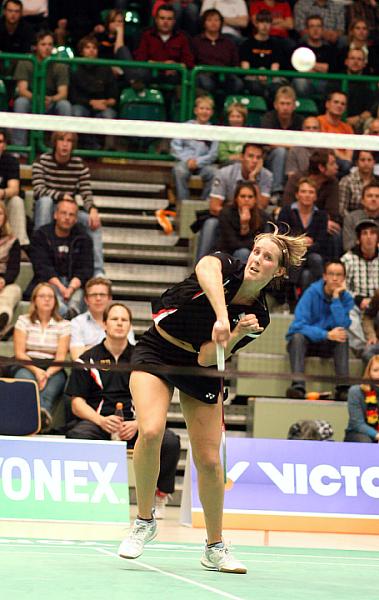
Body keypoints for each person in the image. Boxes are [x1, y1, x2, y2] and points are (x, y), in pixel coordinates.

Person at [117, 225, 308, 571]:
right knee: (151, 430)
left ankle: (214, 546)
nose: (257, 259)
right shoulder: (227, 266)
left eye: (267, 257)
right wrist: (222, 316)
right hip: (157, 350)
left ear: (278, 271)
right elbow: (205, 267)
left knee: (209, 459)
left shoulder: (258, 318)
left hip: (198, 364)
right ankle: (144, 521)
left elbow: (207, 357)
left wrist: (234, 334)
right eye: (256, 251)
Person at [66, 302, 181, 518]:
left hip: (136, 425)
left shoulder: (145, 358)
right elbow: (76, 403)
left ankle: (160, 495)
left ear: (129, 326)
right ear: (105, 325)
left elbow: (159, 397)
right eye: (114, 319)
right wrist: (101, 421)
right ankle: (86, 494)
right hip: (99, 423)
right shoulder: (87, 359)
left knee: (170, 441)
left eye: (124, 320)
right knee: (77, 435)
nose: (119, 323)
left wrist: (139, 423)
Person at [32, 131, 104, 275]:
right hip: (49, 208)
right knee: (45, 202)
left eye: (69, 141)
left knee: (93, 221)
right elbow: (38, 190)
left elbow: (86, 192)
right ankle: (41, 250)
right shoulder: (42, 161)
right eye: (61, 140)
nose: (65, 144)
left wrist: (92, 209)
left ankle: (98, 272)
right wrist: (62, 196)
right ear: (55, 143)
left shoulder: (79, 165)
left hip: (69, 210)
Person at [286, 260, 354, 400]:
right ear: (324, 276)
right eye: (331, 274)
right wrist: (326, 334)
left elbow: (341, 325)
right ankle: (297, 386)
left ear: (344, 278)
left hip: (329, 345)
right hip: (309, 342)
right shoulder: (311, 293)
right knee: (297, 337)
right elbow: (297, 325)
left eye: (339, 275)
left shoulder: (346, 299)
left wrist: (336, 299)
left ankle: (343, 389)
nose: (334, 278)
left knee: (342, 337)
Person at [195, 143, 273, 261]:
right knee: (211, 224)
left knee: (266, 225)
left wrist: (252, 179)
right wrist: (235, 216)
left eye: (258, 158)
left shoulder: (267, 175)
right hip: (226, 217)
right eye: (251, 156)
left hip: (254, 219)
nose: (254, 161)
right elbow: (214, 207)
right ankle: (199, 267)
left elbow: (261, 207)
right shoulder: (224, 173)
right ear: (242, 157)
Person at [13, 282, 70, 430]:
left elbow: (61, 358)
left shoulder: (64, 325)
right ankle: (28, 422)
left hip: (54, 367)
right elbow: (20, 353)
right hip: (27, 363)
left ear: (56, 301)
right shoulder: (23, 321)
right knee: (28, 385)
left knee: (48, 392)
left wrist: (47, 373)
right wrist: (37, 372)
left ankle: (41, 419)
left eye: (50, 296)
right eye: (42, 296)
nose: (47, 299)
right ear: (34, 300)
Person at [27, 197, 94, 319]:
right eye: (63, 213)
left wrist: (71, 288)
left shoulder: (83, 238)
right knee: (51, 295)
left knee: (79, 296)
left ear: (76, 219)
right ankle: (66, 315)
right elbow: (42, 267)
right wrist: (62, 288)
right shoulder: (42, 235)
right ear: (55, 214)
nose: (67, 217)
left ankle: (71, 314)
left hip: (74, 284)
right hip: (50, 282)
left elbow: (86, 269)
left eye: (71, 214)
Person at [11, 30, 71, 148]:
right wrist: (37, 98)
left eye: (50, 44)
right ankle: (19, 148)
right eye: (43, 44)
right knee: (20, 102)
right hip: (31, 100)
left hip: (51, 102)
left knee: (65, 105)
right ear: (36, 46)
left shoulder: (59, 64)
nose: (47, 48)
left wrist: (51, 99)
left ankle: (59, 147)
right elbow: (22, 90)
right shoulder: (25, 62)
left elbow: (63, 93)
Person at [278, 177, 328, 292]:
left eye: (311, 192)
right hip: (290, 253)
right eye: (303, 191)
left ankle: (318, 293)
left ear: (315, 196)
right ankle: (291, 294)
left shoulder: (321, 215)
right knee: (298, 262)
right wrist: (300, 242)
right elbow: (281, 236)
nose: (307, 195)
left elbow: (322, 243)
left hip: (312, 254)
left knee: (316, 259)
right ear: (297, 194)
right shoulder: (286, 211)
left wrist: (303, 247)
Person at [70, 35, 118, 150]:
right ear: (81, 51)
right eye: (87, 47)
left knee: (109, 115)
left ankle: (106, 150)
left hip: (102, 105)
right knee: (76, 112)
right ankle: (91, 146)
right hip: (82, 104)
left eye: (94, 48)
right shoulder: (75, 68)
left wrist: (107, 102)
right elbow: (73, 96)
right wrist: (91, 102)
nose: (91, 50)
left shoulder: (105, 68)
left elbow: (114, 95)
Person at [70, 276, 135, 360]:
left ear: (109, 299)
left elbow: (130, 352)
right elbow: (78, 357)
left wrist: (88, 348)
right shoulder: (77, 323)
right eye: (93, 295)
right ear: (86, 299)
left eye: (102, 294)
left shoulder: (122, 320)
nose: (98, 298)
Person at [341, 218, 379, 356]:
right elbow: (340, 286)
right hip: (356, 304)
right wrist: (358, 299)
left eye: (373, 233)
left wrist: (374, 301)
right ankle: (364, 349)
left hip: (377, 303)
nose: (369, 237)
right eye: (365, 233)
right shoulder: (347, 259)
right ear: (359, 239)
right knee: (347, 312)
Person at [170, 95, 218, 203]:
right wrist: (188, 160)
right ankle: (184, 204)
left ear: (211, 112)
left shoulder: (214, 130)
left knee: (215, 173)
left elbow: (213, 154)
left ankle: (204, 204)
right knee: (179, 171)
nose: (204, 112)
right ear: (196, 111)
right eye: (202, 108)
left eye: (207, 109)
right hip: (185, 162)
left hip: (204, 164)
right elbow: (175, 147)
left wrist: (198, 162)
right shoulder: (185, 127)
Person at [261, 86, 304, 200]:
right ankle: (277, 191)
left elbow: (303, 144)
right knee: (280, 152)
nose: (285, 107)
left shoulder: (299, 121)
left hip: (292, 158)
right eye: (282, 103)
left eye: (288, 104)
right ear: (276, 105)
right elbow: (269, 143)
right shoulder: (268, 118)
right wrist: (291, 145)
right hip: (268, 158)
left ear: (294, 106)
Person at [192, 8, 243, 99]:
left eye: (216, 20)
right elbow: (192, 62)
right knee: (205, 82)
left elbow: (235, 64)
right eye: (210, 20)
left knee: (238, 83)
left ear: (221, 23)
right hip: (205, 73)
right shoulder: (196, 41)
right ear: (204, 23)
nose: (213, 23)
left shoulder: (228, 42)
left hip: (226, 74)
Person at [239, 9, 285, 101]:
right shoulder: (247, 44)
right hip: (252, 78)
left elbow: (275, 68)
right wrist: (257, 74)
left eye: (268, 22)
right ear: (256, 24)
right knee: (255, 86)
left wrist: (267, 76)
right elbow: (245, 69)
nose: (265, 26)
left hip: (270, 79)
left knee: (276, 87)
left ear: (271, 25)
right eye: (262, 22)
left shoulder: (275, 44)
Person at [217, 182, 268, 261]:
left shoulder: (262, 216)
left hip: (254, 253)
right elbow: (231, 242)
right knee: (242, 252)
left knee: (244, 252)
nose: (246, 199)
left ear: (255, 200)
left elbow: (262, 241)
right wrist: (244, 225)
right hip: (227, 251)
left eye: (250, 197)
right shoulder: (226, 213)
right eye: (242, 196)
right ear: (236, 199)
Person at [292, 14, 335, 98]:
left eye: (318, 26)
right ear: (307, 30)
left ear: (323, 30)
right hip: (304, 82)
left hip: (323, 83)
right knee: (300, 82)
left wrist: (306, 65)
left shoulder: (330, 50)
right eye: (312, 26)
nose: (315, 30)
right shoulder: (298, 49)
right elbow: (295, 68)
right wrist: (320, 67)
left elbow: (329, 69)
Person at [0, 129, 29, 247]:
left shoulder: (10, 161)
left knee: (16, 201)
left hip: (3, 201)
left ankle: (20, 244)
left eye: (0, 141)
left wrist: (1, 193)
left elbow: (14, 188)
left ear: (5, 145)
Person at [317, 91, 354, 175]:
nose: (339, 105)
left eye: (343, 104)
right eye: (336, 102)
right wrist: (344, 158)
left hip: (344, 164)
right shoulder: (318, 122)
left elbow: (349, 153)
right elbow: (327, 146)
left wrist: (346, 159)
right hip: (323, 160)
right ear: (327, 104)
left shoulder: (348, 128)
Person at [344, 355, 379, 443]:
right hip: (358, 434)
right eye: (375, 370)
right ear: (369, 372)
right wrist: (377, 435)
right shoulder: (356, 391)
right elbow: (357, 424)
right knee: (365, 441)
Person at [0, 200, 21, 332]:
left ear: (5, 217)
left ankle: (2, 320)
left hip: (4, 283)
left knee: (13, 291)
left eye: (0, 213)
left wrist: (3, 280)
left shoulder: (13, 241)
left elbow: (14, 269)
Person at [339, 150, 377, 217]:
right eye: (362, 160)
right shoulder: (347, 181)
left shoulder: (377, 180)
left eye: (369, 160)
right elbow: (342, 209)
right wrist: (353, 221)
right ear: (356, 163)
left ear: (374, 162)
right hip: (352, 222)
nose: (366, 163)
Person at [342, 183, 379, 252]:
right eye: (370, 196)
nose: (374, 199)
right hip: (356, 258)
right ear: (362, 201)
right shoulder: (351, 218)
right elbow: (348, 246)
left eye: (377, 196)